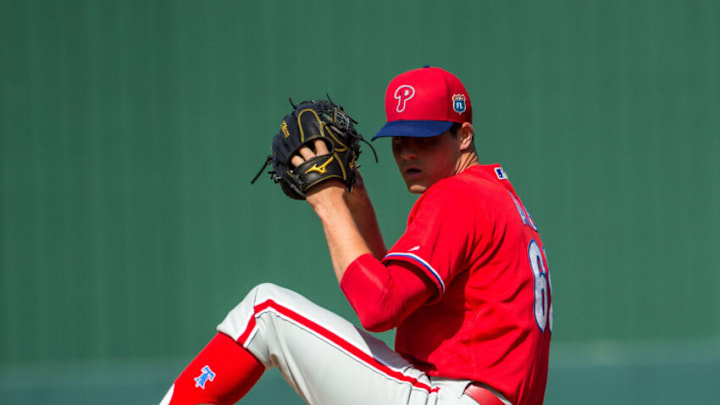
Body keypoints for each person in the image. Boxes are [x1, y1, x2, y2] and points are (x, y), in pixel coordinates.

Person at [159, 66, 552, 405]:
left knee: (265, 312)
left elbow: (378, 307)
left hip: (450, 396)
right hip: (465, 393)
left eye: (425, 138)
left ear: (464, 136)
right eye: (400, 139)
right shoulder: (496, 199)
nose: (408, 152)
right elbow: (397, 298)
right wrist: (357, 207)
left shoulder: (456, 196)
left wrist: (327, 201)